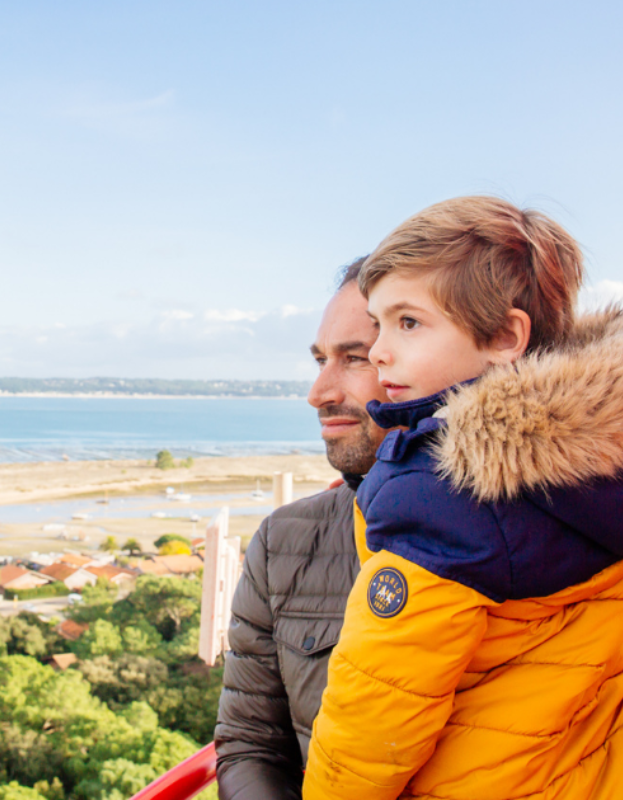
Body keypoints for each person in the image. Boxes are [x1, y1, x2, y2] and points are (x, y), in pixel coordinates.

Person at [304, 196, 623, 800]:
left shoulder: (441, 493)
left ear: (505, 336)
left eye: (408, 323)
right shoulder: (610, 460)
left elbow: (377, 708)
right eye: (379, 324)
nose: (380, 351)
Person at [214, 257, 391, 800]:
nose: (318, 392)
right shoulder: (284, 542)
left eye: (355, 357)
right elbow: (250, 745)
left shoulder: (570, 532)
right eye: (320, 359)